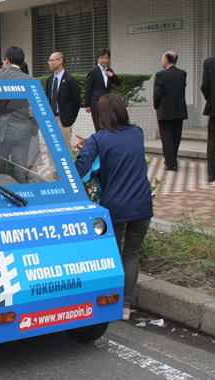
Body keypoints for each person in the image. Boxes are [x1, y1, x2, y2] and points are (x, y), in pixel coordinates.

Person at [74, 94, 153, 321]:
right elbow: (119, 144)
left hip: (115, 208)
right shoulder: (137, 133)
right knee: (131, 255)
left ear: (100, 115)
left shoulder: (98, 140)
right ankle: (125, 307)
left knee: (111, 256)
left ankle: (111, 302)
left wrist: (86, 146)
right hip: (142, 205)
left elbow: (79, 173)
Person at [0, 46, 40, 178]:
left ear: (6, 60)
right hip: (23, 132)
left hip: (1, 131)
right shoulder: (32, 81)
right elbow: (37, 112)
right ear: (22, 63)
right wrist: (32, 129)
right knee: (21, 170)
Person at [153, 50, 188, 171]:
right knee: (176, 136)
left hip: (165, 110)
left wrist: (156, 106)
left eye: (163, 59)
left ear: (166, 60)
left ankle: (171, 163)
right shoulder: (182, 74)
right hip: (179, 110)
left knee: (167, 137)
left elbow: (157, 94)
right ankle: (172, 159)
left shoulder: (160, 75)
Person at [45, 52, 81, 152]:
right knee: (51, 149)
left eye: (51, 60)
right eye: (49, 60)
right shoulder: (49, 80)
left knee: (65, 149)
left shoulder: (70, 80)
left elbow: (76, 102)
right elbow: (48, 99)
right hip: (51, 119)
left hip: (63, 120)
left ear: (60, 61)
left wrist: (70, 119)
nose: (49, 63)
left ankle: (66, 168)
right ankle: (53, 168)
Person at [85, 48, 122, 131]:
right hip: (96, 103)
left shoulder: (109, 70)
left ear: (108, 59)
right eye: (101, 58)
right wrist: (87, 105)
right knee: (98, 125)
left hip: (107, 103)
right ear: (98, 59)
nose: (103, 60)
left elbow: (119, 83)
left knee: (107, 124)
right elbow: (88, 88)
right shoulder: (93, 71)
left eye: (105, 58)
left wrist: (112, 76)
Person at [201, 56, 215, 183]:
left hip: (214, 108)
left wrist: (210, 99)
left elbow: (205, 86)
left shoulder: (210, 62)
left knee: (212, 141)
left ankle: (212, 173)